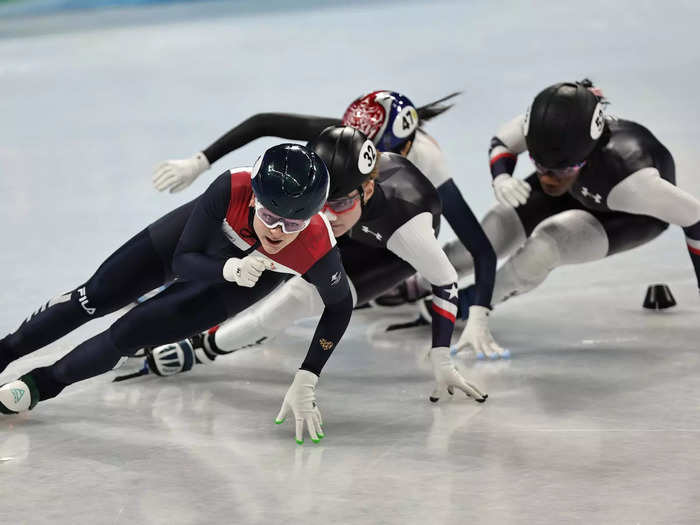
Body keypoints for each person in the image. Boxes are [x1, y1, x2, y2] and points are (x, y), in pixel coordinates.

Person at [0, 144, 353, 444]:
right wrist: (227, 269)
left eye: (293, 225)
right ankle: (6, 350)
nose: (278, 232)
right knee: (94, 297)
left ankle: (40, 386)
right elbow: (183, 261)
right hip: (198, 250)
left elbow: (340, 307)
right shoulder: (232, 187)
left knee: (129, 334)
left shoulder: (318, 247)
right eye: (269, 216)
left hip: (244, 283)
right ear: (254, 200)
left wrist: (308, 375)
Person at [138, 126, 493, 403]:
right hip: (356, 229)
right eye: (319, 202)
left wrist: (441, 358)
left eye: (335, 205)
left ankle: (202, 348)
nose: (323, 216)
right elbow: (265, 122)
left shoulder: (407, 229)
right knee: (257, 239)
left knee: (293, 300)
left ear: (366, 191)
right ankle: (171, 301)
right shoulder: (335, 154)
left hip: (381, 254)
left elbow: (445, 282)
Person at [151, 90, 497, 334]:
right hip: (350, 217)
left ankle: (403, 283)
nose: (356, 156)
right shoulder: (353, 141)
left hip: (379, 235)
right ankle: (173, 307)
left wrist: (478, 315)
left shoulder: (428, 166)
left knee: (288, 261)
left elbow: (479, 248)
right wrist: (200, 161)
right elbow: (263, 122)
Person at [429, 79, 700, 351]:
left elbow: (695, 218)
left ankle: (465, 302)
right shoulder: (542, 131)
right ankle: (412, 280)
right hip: (581, 188)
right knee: (492, 231)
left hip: (629, 214)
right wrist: (501, 178)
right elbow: (503, 142)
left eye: (560, 170)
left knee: (544, 248)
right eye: (539, 164)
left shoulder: (635, 182)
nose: (548, 179)